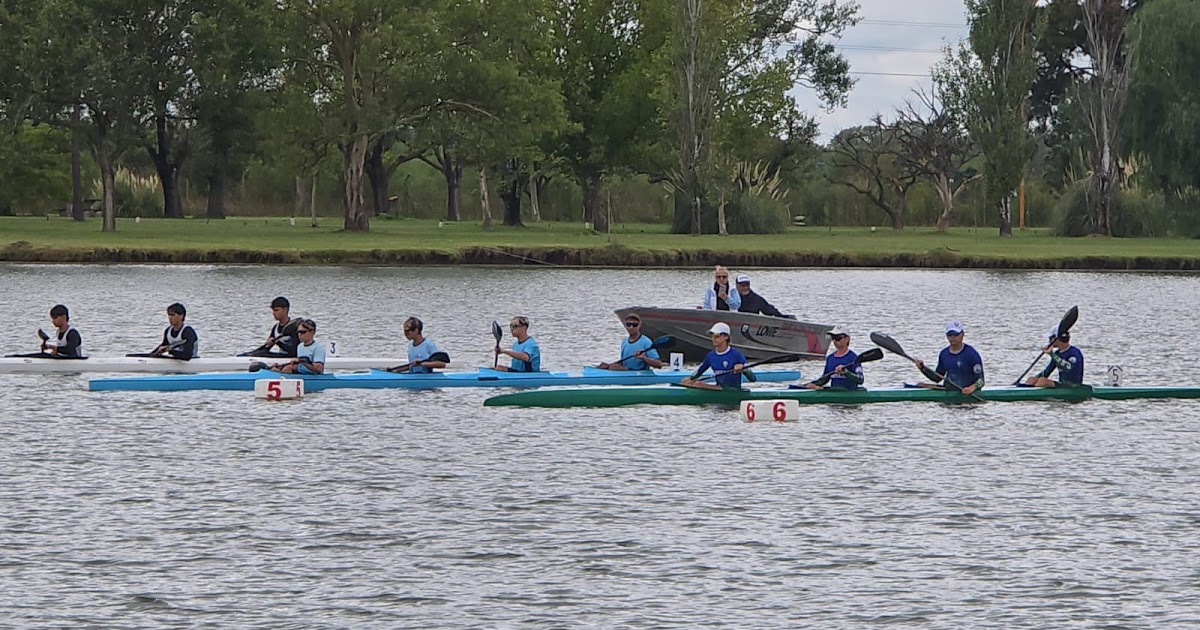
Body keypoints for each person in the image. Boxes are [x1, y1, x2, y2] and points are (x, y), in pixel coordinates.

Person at [915, 320, 984, 395]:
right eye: (950, 335)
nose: (952, 338)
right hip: (948, 391)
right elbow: (938, 378)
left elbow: (981, 381)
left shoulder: (971, 354)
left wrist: (972, 388)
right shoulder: (944, 354)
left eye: (956, 334)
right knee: (920, 385)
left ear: (963, 334)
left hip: (966, 393)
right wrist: (923, 368)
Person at [680, 322, 746, 390]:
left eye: (717, 335)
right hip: (718, 388)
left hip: (733, 390)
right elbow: (699, 371)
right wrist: (690, 378)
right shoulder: (711, 356)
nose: (713, 338)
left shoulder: (737, 355)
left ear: (726, 337)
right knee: (691, 383)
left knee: (698, 384)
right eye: (712, 335)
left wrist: (744, 369)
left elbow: (753, 379)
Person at [797, 325, 863, 390]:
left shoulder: (853, 358)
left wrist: (846, 373)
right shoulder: (830, 358)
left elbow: (860, 379)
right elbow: (824, 379)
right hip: (834, 392)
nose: (834, 341)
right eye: (833, 338)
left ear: (847, 339)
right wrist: (813, 385)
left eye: (838, 338)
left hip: (849, 393)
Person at [598, 314, 664, 371]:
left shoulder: (646, 342)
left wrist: (644, 358)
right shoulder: (624, 341)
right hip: (627, 373)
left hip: (639, 375)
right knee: (606, 366)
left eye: (634, 325)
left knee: (613, 367)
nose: (631, 327)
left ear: (639, 325)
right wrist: (608, 366)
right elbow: (623, 363)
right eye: (629, 324)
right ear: (625, 325)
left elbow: (659, 364)